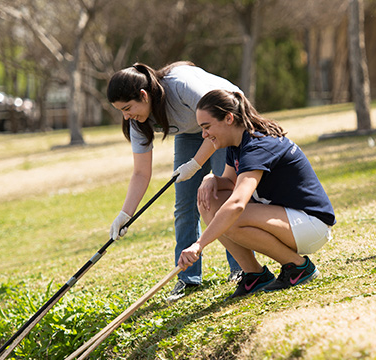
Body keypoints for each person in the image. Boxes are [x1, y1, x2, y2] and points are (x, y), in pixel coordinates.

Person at [177, 89, 336, 298]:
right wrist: (210, 179)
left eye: (207, 127)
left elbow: (237, 204)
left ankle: (298, 267)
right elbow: (229, 184)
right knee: (210, 201)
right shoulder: (237, 144)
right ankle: (255, 274)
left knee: (231, 216)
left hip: (311, 225)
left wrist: (198, 245)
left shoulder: (257, 145)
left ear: (228, 118)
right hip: (288, 220)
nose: (204, 135)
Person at [106, 62, 243, 301]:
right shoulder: (137, 121)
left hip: (226, 121)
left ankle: (241, 268)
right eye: (121, 111)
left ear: (143, 95)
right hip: (191, 132)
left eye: (127, 108)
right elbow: (141, 173)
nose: (126, 116)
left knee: (225, 196)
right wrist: (125, 214)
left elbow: (219, 120)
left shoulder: (180, 86)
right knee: (184, 204)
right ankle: (188, 278)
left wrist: (195, 164)